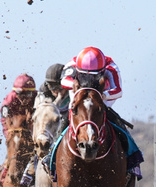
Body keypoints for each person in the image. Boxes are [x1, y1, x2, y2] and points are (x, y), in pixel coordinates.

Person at [60, 46, 142, 177]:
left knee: (118, 123)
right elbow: (64, 80)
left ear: (103, 69)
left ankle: (133, 159)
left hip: (101, 97)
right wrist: (82, 89)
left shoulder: (111, 67)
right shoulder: (73, 63)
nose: (89, 78)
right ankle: (49, 156)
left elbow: (118, 90)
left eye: (94, 76)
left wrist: (102, 95)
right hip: (79, 97)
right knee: (64, 121)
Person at [0, 74, 36, 139]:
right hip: (15, 127)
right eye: (20, 94)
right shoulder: (9, 100)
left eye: (28, 94)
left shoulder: (37, 98)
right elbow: (4, 120)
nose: (24, 99)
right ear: (15, 93)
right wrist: (8, 135)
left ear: (33, 93)